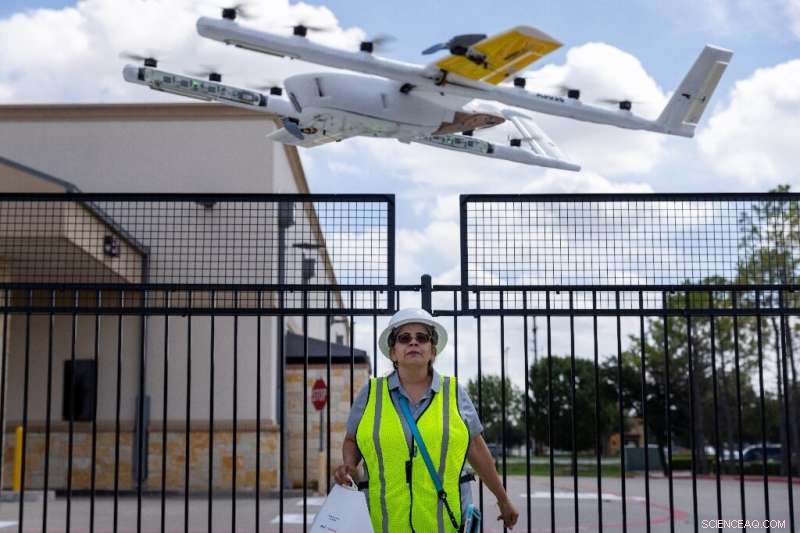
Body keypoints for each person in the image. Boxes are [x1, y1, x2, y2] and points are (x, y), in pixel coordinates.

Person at [334, 308, 519, 532]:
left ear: (432, 351)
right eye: (404, 338)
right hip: (384, 526)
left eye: (421, 338)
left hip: (446, 526)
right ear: (393, 352)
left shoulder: (454, 393)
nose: (413, 343)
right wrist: (350, 465)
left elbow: (477, 449)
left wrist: (502, 498)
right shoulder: (371, 393)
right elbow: (352, 440)